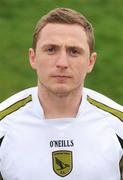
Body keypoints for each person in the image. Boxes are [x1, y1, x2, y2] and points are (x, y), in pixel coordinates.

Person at [0, 7, 123, 180]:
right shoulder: (3, 124)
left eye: (74, 51)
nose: (62, 63)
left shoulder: (118, 124)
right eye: (51, 49)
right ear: (33, 57)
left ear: (90, 61)